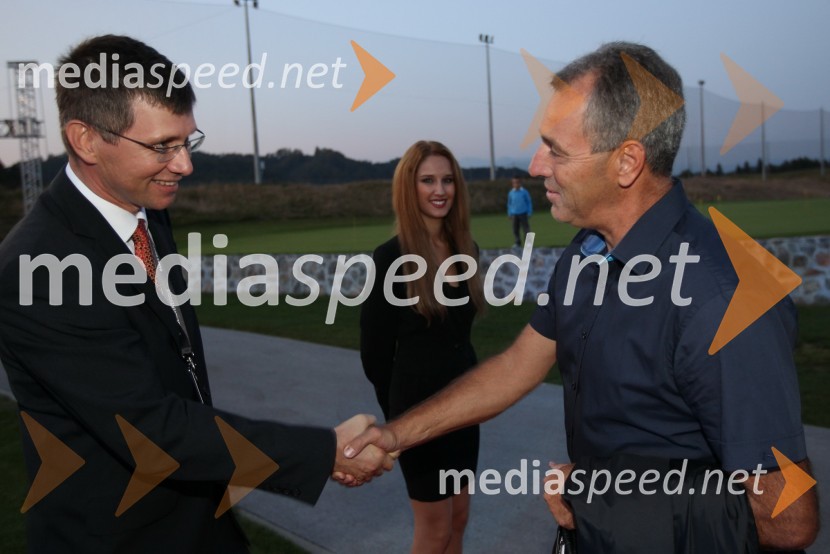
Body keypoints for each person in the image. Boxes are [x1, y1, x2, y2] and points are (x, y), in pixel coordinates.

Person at [344, 42, 819, 552]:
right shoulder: (587, 253)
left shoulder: (719, 298)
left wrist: (598, 497)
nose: (535, 164)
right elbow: (517, 366)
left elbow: (787, 520)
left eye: (556, 148)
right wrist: (396, 435)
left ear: (627, 163)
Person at [0, 35, 391, 552]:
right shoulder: (38, 270)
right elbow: (151, 430)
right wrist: (323, 452)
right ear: (86, 140)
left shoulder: (149, 213)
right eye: (162, 146)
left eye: (188, 141)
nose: (185, 165)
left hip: (204, 521)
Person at [360, 140, 486, 553]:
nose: (440, 190)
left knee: (460, 520)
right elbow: (375, 355)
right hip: (418, 414)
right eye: (428, 180)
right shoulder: (389, 258)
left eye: (448, 180)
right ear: (408, 188)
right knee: (433, 530)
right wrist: (400, 423)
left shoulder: (468, 251)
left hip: (465, 410)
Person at [507, 176, 532, 247]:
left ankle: (528, 244)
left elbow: (529, 202)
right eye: (514, 183)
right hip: (514, 214)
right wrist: (509, 213)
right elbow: (509, 204)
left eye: (517, 182)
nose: (516, 184)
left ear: (520, 183)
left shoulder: (524, 192)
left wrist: (529, 212)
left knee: (526, 229)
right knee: (515, 229)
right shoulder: (511, 193)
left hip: (523, 213)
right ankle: (517, 242)